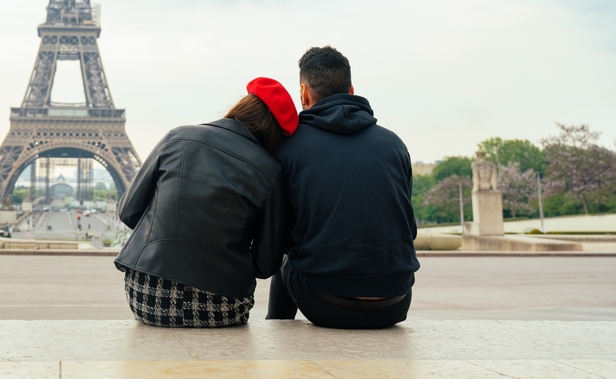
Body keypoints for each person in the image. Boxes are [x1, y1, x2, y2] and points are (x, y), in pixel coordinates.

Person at [115, 78, 299, 327]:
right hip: (220, 305)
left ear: (241, 107)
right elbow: (265, 265)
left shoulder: (177, 137)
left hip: (146, 295)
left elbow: (128, 212)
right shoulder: (270, 171)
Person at [267, 46, 418, 329]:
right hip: (395, 302)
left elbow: (279, 235)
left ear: (304, 93)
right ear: (350, 90)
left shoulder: (288, 147)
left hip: (325, 303)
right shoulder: (394, 144)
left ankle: (277, 328)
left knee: (286, 258)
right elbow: (408, 228)